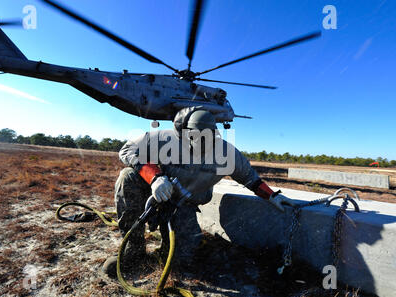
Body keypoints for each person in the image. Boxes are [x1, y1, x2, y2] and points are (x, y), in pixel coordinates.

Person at [101, 106, 296, 276]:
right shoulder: (164, 138)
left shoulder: (226, 153)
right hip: (158, 192)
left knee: (183, 261)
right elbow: (127, 151)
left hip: (184, 204)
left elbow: (251, 179)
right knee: (127, 176)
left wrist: (272, 196)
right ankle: (134, 250)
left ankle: (166, 250)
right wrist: (155, 177)